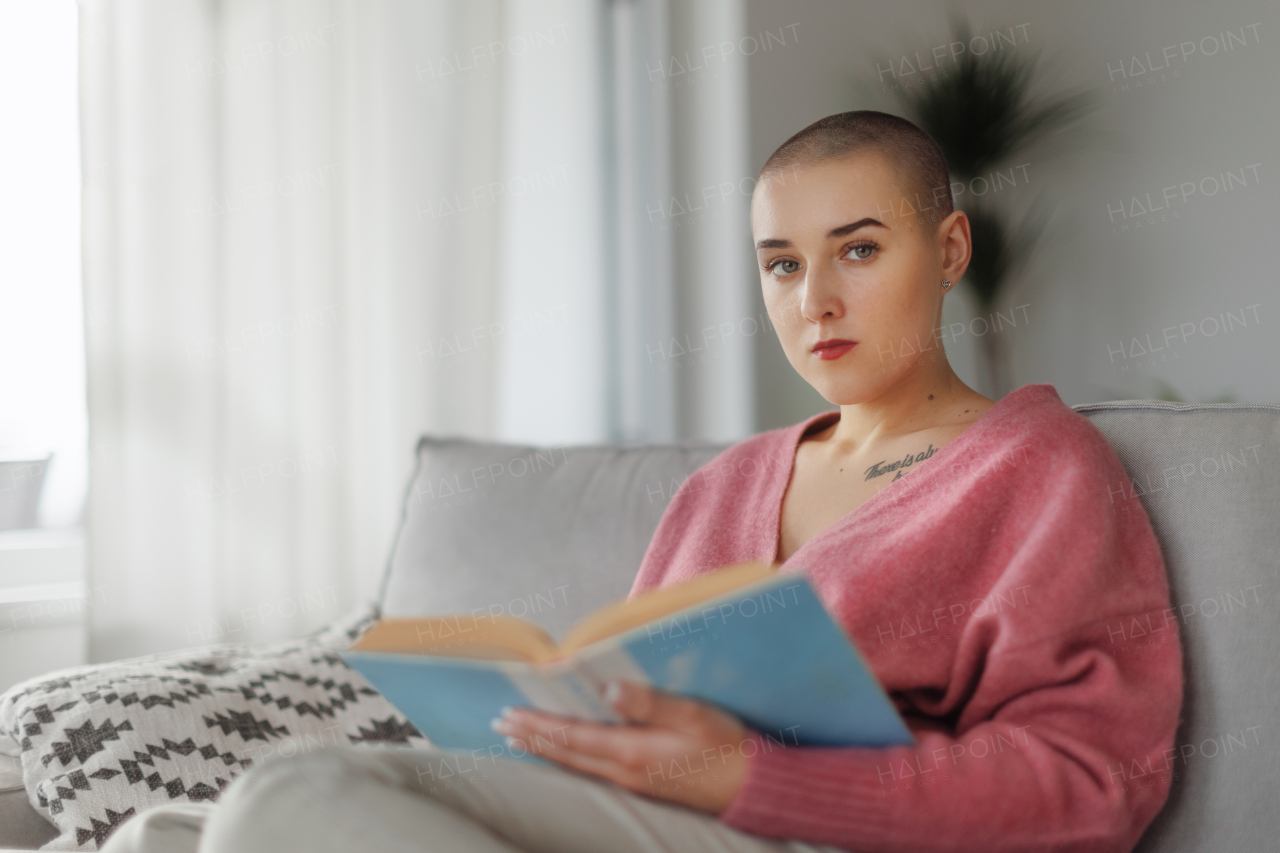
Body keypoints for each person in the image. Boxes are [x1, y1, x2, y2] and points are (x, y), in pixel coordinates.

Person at [102, 111, 1182, 853]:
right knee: (153, 836)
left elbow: (1090, 787)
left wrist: (742, 774)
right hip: (640, 818)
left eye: (857, 250)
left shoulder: (1038, 469)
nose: (814, 299)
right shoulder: (723, 486)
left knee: (290, 798)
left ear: (947, 248)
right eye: (779, 263)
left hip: (808, 831)